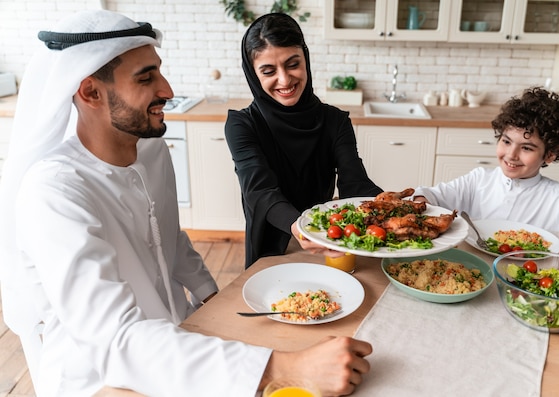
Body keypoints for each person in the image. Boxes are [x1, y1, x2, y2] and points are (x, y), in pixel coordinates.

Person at [0, 10, 371, 396]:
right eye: (146, 77)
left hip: (181, 340)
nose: (167, 89)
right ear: (91, 92)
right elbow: (117, 342)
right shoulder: (55, 191)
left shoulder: (152, 152)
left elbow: (170, 240)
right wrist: (287, 367)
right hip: (104, 379)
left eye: (159, 71)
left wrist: (215, 298)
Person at [225, 13, 383, 269]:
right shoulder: (242, 125)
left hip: (326, 240)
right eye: (268, 71)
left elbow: (355, 183)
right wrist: (302, 229)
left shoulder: (336, 121)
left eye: (292, 64)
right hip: (272, 247)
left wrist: (394, 206)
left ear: (305, 60)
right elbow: (261, 192)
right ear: (254, 75)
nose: (285, 80)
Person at [412, 86, 559, 265]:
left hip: (528, 278)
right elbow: (431, 195)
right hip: (466, 265)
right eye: (506, 141)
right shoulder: (479, 180)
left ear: (549, 155)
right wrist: (421, 201)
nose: (511, 155)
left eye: (527, 148)